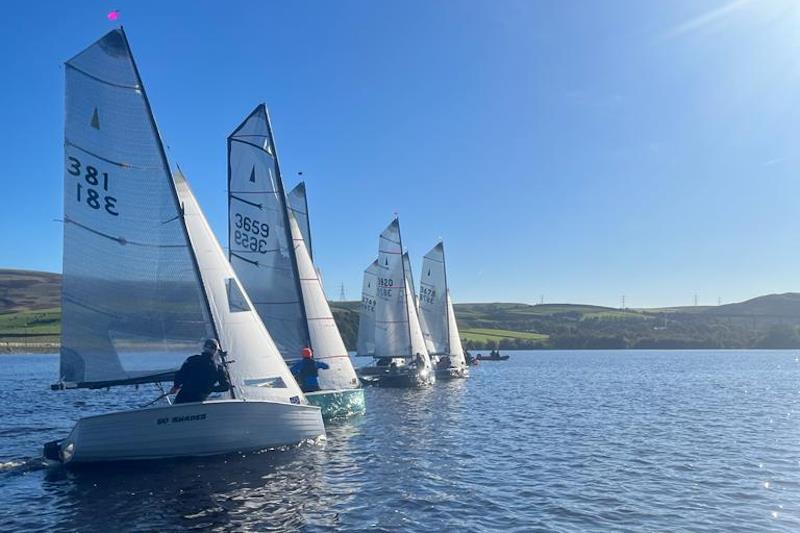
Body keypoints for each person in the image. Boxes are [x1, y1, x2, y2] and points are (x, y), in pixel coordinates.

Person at [170, 338, 231, 404]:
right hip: (200, 398)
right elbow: (226, 386)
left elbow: (180, 375)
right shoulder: (219, 367)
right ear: (215, 350)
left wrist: (175, 386)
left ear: (204, 348)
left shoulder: (192, 360)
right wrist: (211, 389)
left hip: (184, 395)